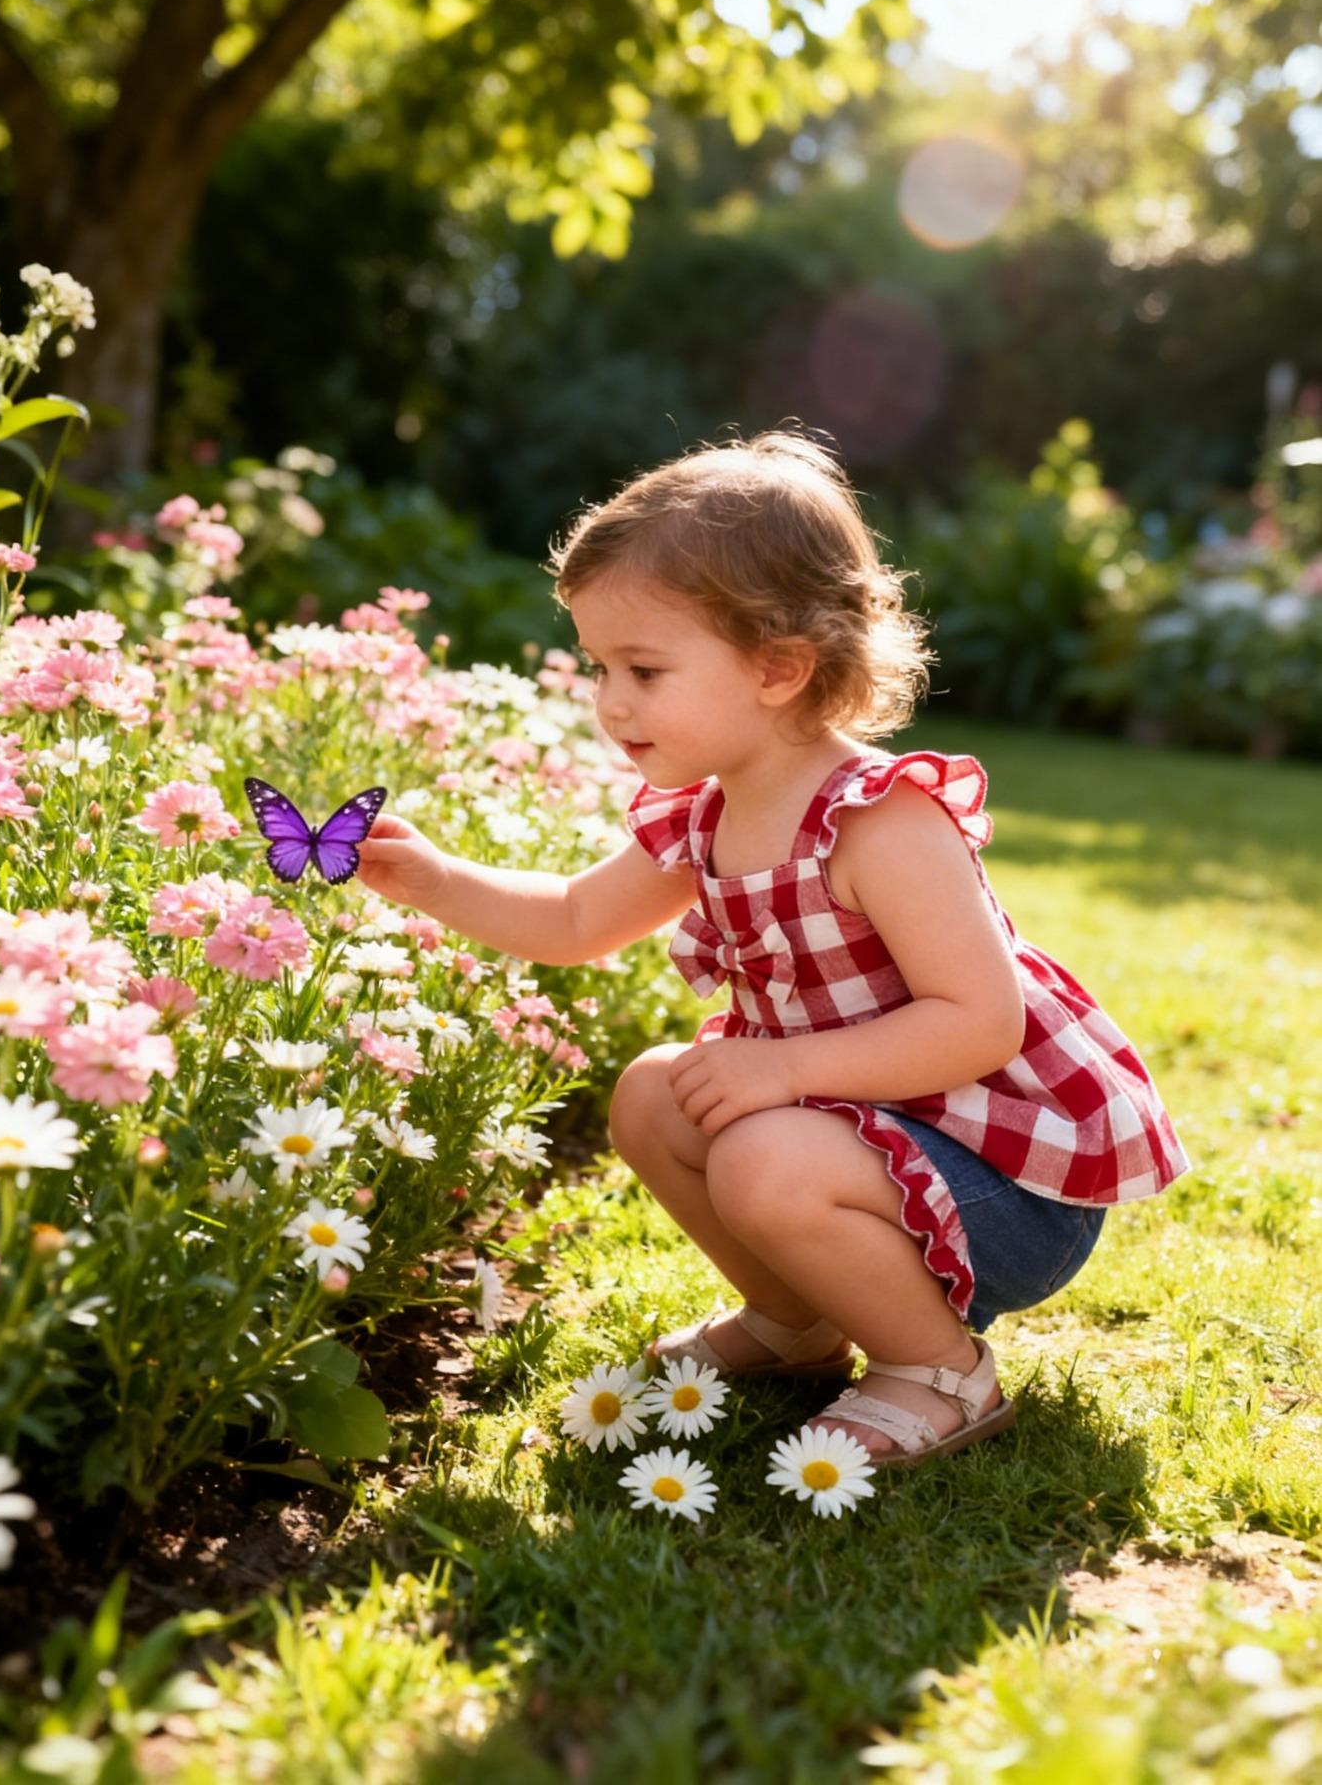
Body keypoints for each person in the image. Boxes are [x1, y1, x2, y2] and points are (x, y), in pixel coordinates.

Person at [356, 428, 1191, 1470]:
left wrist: (784, 1067)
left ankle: (939, 1370)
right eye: (601, 667)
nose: (610, 702)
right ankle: (798, 1323)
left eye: (644, 669)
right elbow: (574, 919)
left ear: (780, 667)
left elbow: (981, 1022)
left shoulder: (880, 821)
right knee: (653, 1096)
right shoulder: (707, 814)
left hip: (1005, 1187)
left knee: (760, 1156)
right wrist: (434, 880)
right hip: (863, 1147)